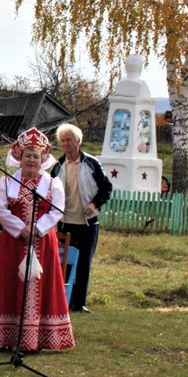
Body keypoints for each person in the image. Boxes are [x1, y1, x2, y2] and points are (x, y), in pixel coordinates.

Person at [0, 128, 75, 351]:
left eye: (36, 156)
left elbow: (57, 211)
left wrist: (36, 229)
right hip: (12, 243)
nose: (31, 160)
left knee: (40, 286)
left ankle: (37, 339)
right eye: (27, 155)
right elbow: (1, 210)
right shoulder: (8, 182)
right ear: (19, 157)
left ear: (43, 158)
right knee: (8, 285)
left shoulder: (53, 183)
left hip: (42, 243)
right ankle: (4, 338)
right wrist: (21, 229)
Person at [51, 123, 113, 313]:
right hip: (65, 222)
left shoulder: (91, 163)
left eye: (69, 140)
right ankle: (63, 301)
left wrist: (94, 204)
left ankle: (79, 303)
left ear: (78, 141)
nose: (66, 144)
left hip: (87, 223)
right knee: (64, 263)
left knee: (84, 263)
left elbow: (106, 188)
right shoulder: (58, 166)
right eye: (63, 141)